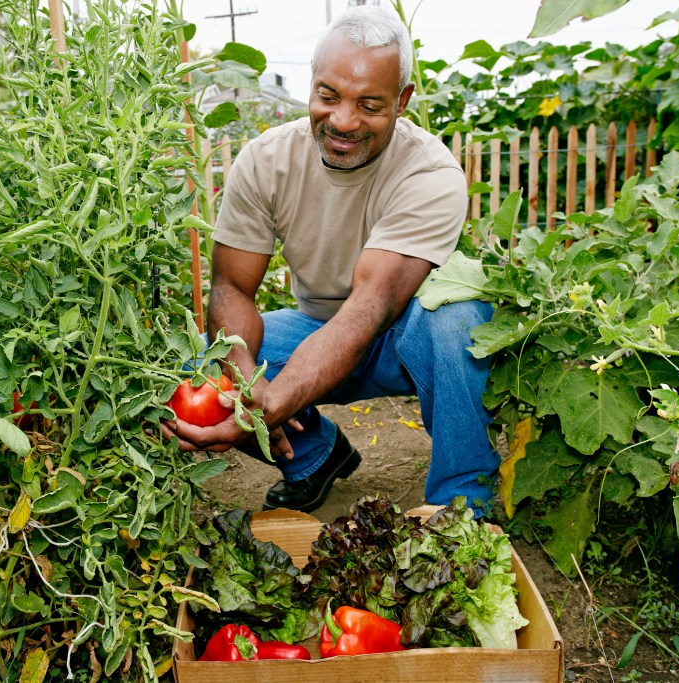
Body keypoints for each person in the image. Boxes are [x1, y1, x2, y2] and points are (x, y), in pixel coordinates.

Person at [162, 6, 498, 515]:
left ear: (402, 101)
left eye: (369, 104)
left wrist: (271, 405)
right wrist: (247, 388)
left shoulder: (430, 174)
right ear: (311, 84)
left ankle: (461, 509)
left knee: (459, 323)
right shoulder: (266, 160)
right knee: (203, 367)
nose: (343, 120)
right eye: (328, 96)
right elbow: (232, 289)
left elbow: (373, 306)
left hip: (404, 338)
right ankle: (317, 457)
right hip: (315, 331)